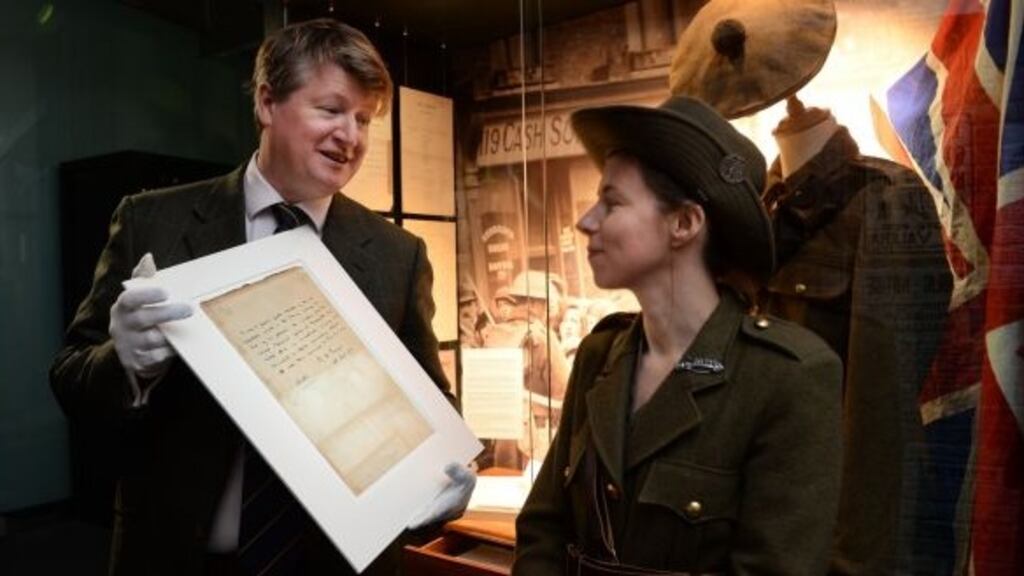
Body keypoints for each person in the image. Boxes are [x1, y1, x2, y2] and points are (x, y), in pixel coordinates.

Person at [50, 18, 473, 576]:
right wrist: (122, 363)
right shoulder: (151, 220)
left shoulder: (399, 255)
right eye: (331, 110)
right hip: (176, 556)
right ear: (268, 103)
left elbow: (428, 401)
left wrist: (443, 470)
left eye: (364, 119)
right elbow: (71, 379)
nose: (352, 136)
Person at [512, 96, 844, 575]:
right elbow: (544, 527)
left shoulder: (786, 377)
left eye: (613, 202)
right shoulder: (600, 356)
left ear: (685, 223)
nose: (586, 221)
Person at [761, 95, 952, 575]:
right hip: (776, 526)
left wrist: (854, 563)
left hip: (853, 528)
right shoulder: (758, 215)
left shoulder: (885, 199)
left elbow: (879, 410)